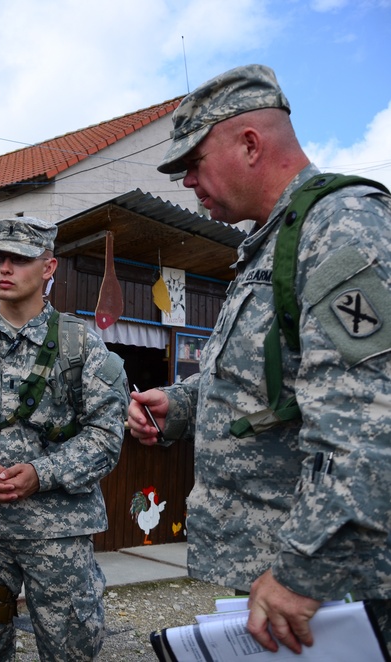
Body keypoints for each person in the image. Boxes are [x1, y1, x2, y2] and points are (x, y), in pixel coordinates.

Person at [128, 63, 391, 655]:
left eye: (194, 163)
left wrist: (304, 570)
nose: (188, 182)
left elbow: (369, 422)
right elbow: (270, 380)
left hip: (324, 591)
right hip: (267, 570)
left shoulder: (342, 224)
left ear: (250, 143)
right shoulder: (270, 246)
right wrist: (182, 403)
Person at [0, 217, 129, 661]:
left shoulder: (81, 346)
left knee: (70, 650)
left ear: (48, 267)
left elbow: (107, 436)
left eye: (20, 259)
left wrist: (41, 473)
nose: (5, 268)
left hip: (59, 535)